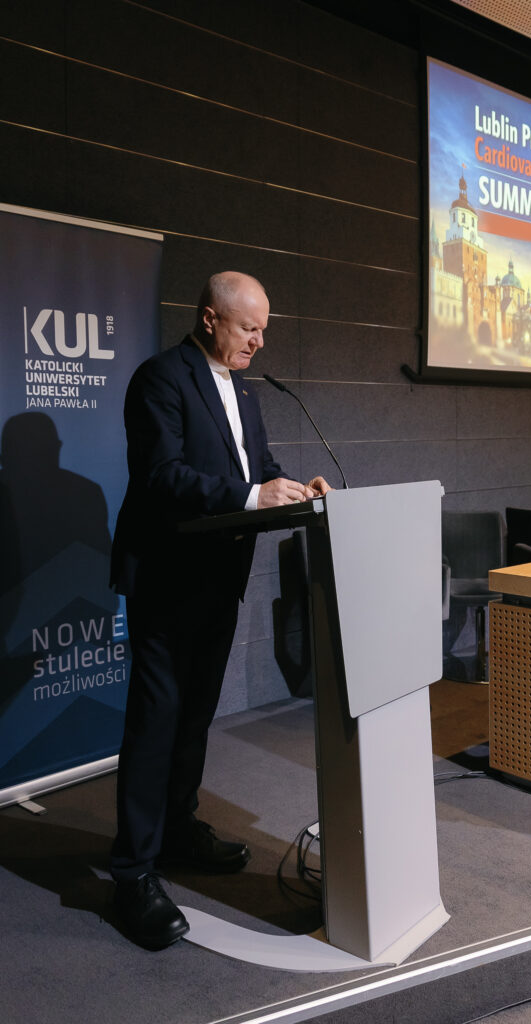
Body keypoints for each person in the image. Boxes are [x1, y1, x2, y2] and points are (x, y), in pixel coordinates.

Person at [109, 271, 330, 949]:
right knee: (157, 722)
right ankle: (131, 875)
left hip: (217, 577)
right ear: (209, 319)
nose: (260, 341)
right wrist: (251, 497)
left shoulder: (246, 392)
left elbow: (256, 467)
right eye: (248, 328)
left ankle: (177, 830)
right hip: (167, 579)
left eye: (264, 330)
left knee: (195, 715)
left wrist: (292, 487)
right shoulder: (160, 378)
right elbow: (162, 476)